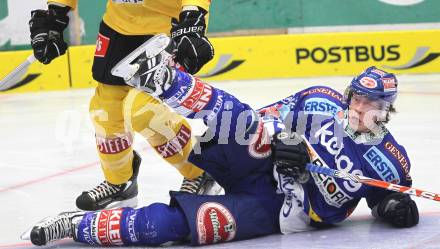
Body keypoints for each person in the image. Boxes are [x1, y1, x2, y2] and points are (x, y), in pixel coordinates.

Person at [25, 35, 419, 247]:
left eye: (372, 104)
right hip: (258, 163)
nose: (360, 107)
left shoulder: (390, 160)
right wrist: (287, 139)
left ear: (387, 109)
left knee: (174, 226)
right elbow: (262, 118)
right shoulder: (321, 99)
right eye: (358, 97)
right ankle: (164, 80)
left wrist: (396, 207)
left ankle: (77, 226)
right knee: (241, 121)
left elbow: (381, 198)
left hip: (279, 210)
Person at [28, 0, 215, 211]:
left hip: (166, 25)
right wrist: (56, 11)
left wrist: (194, 14)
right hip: (119, 24)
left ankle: (200, 172)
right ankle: (119, 183)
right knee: (104, 110)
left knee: (144, 112)